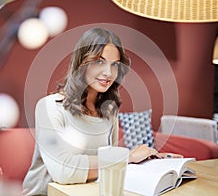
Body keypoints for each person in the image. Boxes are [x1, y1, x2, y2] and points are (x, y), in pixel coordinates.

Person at [22, 27, 182, 196]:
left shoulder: (109, 111)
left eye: (114, 65)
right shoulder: (49, 107)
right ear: (81, 62)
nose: (108, 73)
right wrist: (127, 158)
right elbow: (64, 171)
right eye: (99, 61)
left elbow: (108, 166)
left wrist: (145, 162)